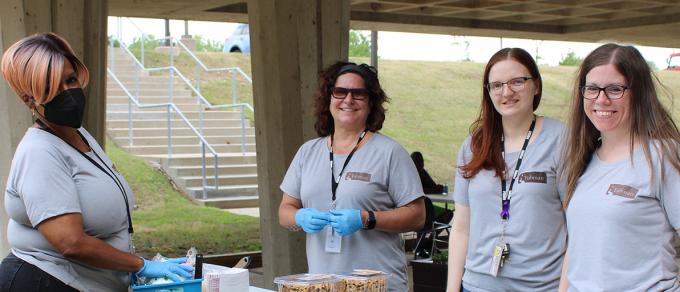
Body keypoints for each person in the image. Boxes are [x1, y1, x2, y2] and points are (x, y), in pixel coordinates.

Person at [0, 33, 192, 291]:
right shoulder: (39, 152)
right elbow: (71, 242)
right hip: (44, 282)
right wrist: (139, 265)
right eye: (52, 86)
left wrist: (130, 263)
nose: (68, 92)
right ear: (29, 99)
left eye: (70, 80)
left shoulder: (79, 135)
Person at [278, 61, 425, 292]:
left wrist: (367, 218)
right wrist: (299, 217)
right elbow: (285, 210)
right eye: (340, 92)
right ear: (329, 99)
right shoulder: (308, 152)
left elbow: (417, 216)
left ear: (370, 103)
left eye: (358, 94)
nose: (348, 100)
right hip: (323, 285)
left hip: (378, 287)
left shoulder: (389, 153)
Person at [558, 44, 680, 291]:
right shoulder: (584, 158)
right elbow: (578, 250)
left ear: (638, 93)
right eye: (592, 89)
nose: (601, 99)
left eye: (615, 89)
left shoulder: (661, 156)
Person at [447, 48, 566, 292]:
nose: (507, 92)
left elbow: (578, 229)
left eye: (517, 82)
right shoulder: (474, 145)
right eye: (497, 85)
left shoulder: (562, 140)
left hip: (541, 287)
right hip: (477, 285)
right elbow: (461, 228)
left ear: (537, 86)